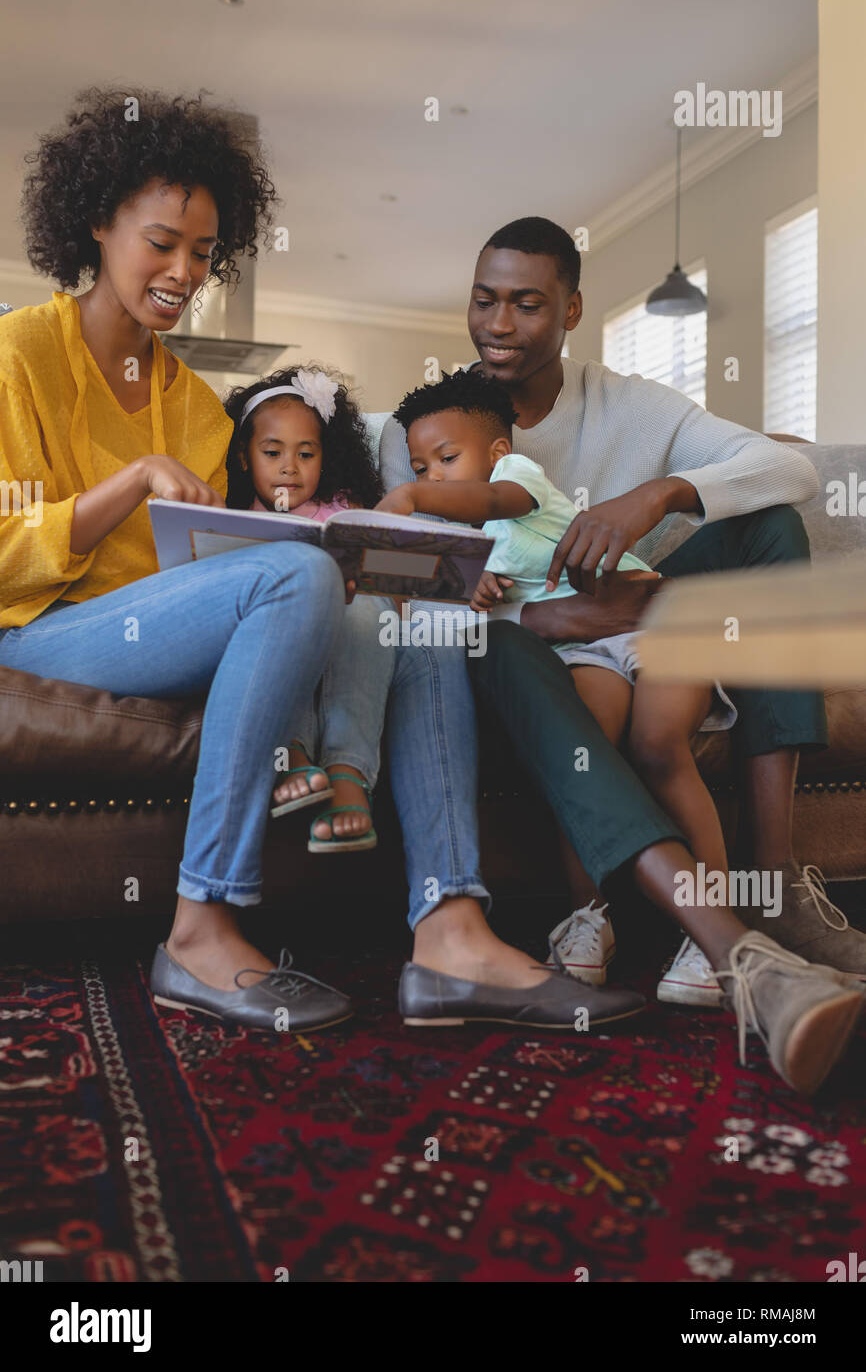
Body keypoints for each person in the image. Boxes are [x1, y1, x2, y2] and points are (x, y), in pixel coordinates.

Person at [0, 88, 641, 1039]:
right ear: (96, 222)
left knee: (412, 610)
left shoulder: (193, 404)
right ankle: (199, 925)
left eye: (206, 254)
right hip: (45, 633)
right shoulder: (19, 355)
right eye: (163, 241)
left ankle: (450, 929)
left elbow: (212, 564)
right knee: (298, 576)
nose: (185, 272)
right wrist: (126, 485)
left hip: (167, 625)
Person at [379, 215, 866, 1006]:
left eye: (527, 304)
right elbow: (373, 561)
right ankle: (614, 915)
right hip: (525, 641)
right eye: (484, 299)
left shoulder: (633, 407)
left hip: (642, 600)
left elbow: (791, 472)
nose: (499, 325)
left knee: (770, 528)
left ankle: (775, 887)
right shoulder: (420, 430)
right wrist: (545, 621)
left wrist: (659, 494)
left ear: (571, 311)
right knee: (503, 649)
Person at [224, 363, 391, 853]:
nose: (289, 468)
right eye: (272, 452)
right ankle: (291, 753)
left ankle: (347, 772)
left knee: (369, 610)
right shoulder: (231, 520)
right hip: (285, 632)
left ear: (326, 457)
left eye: (306, 453)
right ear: (242, 457)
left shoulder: (344, 511)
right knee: (280, 615)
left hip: (349, 629)